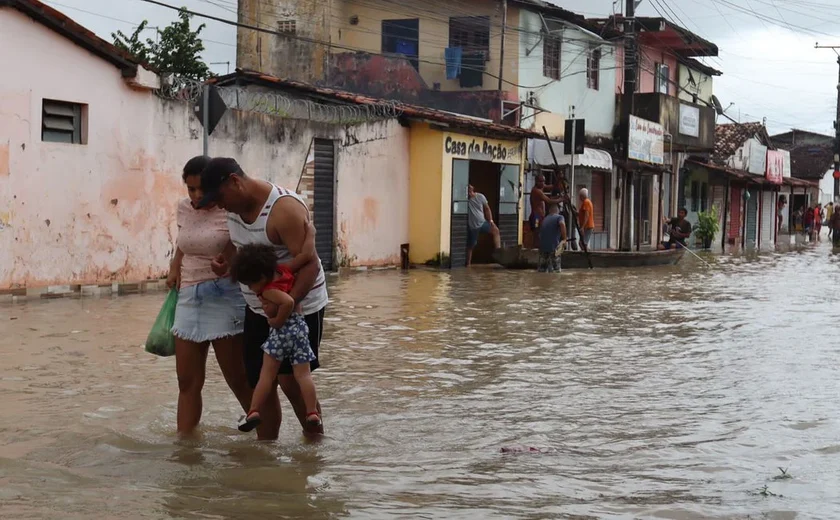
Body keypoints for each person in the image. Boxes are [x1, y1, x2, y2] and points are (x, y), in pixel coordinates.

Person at [199, 157, 328, 440]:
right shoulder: (234, 210)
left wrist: (286, 305)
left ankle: (313, 448)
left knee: (291, 381)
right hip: (258, 308)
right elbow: (239, 245)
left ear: (235, 181)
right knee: (261, 380)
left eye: (220, 198)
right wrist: (228, 263)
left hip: (299, 307)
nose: (220, 206)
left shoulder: (284, 211)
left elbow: (310, 265)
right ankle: (266, 450)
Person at [166, 156, 252, 436]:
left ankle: (265, 441)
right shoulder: (183, 209)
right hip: (189, 294)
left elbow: (246, 251)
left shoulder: (230, 209)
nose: (196, 196)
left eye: (201, 189)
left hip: (225, 294)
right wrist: (174, 265)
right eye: (190, 189)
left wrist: (229, 261)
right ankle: (185, 446)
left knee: (237, 378)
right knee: (186, 380)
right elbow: (184, 242)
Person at [230, 244, 322, 433]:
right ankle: (312, 412)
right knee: (303, 376)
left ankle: (254, 411)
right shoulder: (284, 270)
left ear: (261, 278)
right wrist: (310, 233)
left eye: (250, 284)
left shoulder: (267, 290)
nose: (250, 289)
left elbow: (287, 302)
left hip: (280, 334)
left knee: (266, 375)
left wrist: (277, 321)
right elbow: (305, 255)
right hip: (300, 330)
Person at [466, 184, 501, 267]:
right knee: (471, 245)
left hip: (482, 223)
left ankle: (499, 254)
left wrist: (491, 221)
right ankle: (468, 264)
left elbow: (487, 209)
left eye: (470, 191)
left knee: (496, 231)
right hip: (472, 226)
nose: (469, 193)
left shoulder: (480, 197)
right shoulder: (465, 200)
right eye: (468, 191)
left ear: (473, 190)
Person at [528, 175, 563, 244]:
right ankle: (536, 249)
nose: (542, 183)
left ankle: (540, 247)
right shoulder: (536, 191)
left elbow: (553, 187)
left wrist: (558, 179)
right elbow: (549, 201)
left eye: (544, 181)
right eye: (540, 181)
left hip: (541, 216)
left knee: (541, 232)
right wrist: (561, 199)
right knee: (537, 233)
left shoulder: (542, 187)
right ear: (536, 181)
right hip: (536, 217)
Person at [537, 204, 567, 273]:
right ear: (557, 211)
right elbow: (562, 224)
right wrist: (564, 239)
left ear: (549, 211)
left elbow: (540, 234)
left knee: (541, 271)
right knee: (556, 271)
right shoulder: (560, 217)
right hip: (554, 247)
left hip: (542, 248)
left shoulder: (545, 219)